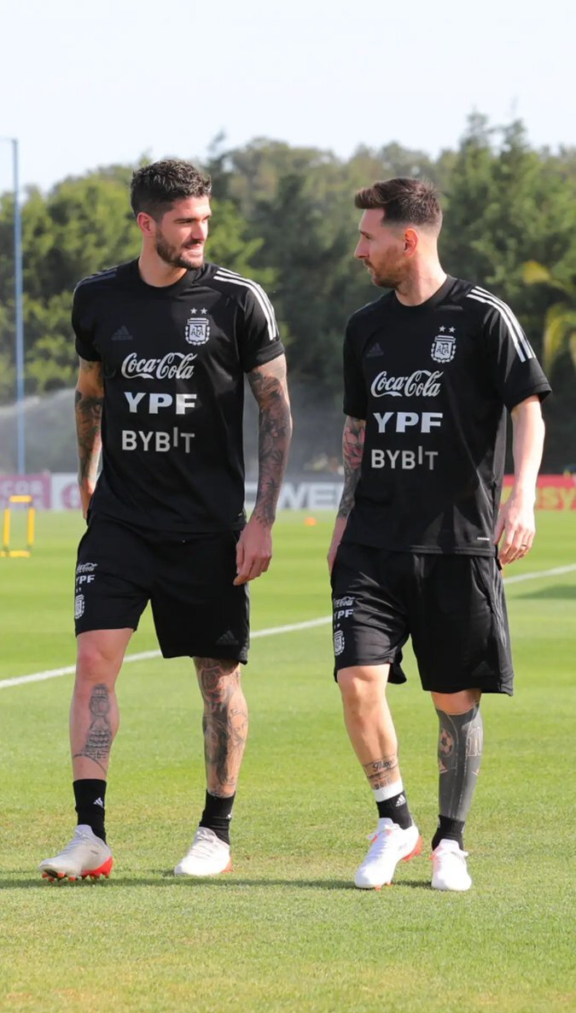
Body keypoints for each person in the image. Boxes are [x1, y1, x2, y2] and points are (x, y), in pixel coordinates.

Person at [39, 159, 292, 881]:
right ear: (147, 223)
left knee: (217, 680)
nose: (200, 233)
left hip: (209, 529)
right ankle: (90, 834)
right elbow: (91, 391)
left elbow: (275, 408)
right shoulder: (97, 297)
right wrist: (86, 472)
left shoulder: (239, 300)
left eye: (205, 219)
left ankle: (215, 831)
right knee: (94, 662)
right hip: (121, 523)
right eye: (185, 222)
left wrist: (262, 519)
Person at [327, 177, 550, 892]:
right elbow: (358, 432)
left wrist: (522, 500)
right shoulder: (364, 328)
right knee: (357, 680)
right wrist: (342, 521)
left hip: (457, 542)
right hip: (373, 541)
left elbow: (528, 406)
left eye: (369, 238)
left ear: (408, 239)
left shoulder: (483, 316)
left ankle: (450, 842)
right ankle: (394, 820)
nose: (360, 251)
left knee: (455, 701)